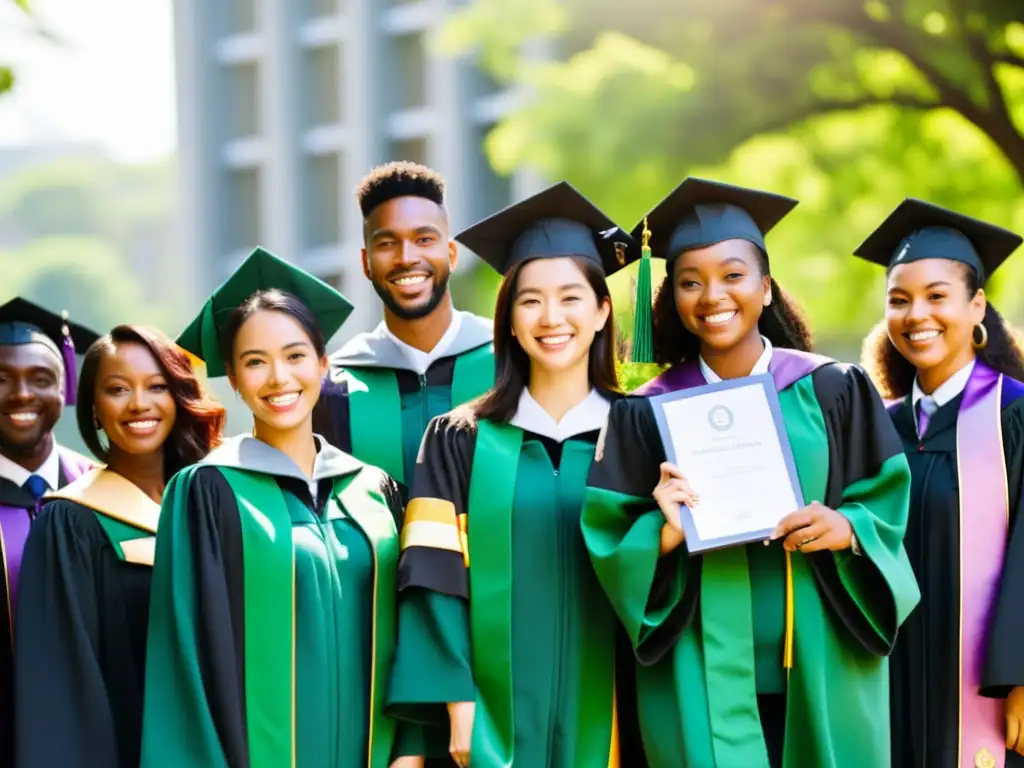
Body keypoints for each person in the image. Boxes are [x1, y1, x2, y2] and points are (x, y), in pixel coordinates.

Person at [582, 177, 920, 768]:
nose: (713, 295)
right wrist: (661, 532)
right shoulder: (642, 412)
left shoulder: (832, 388)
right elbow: (610, 537)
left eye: (734, 275)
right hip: (696, 664)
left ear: (765, 288)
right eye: (691, 282)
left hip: (823, 655)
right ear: (673, 300)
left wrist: (847, 529)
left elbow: (885, 496)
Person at [387, 182, 644, 768]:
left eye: (571, 298)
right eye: (530, 300)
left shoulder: (640, 431)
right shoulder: (460, 439)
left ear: (602, 310)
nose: (551, 318)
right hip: (489, 725)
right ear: (508, 317)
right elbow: (432, 575)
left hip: (618, 715)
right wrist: (455, 701)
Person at [139, 248, 423, 767]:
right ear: (234, 375)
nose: (278, 378)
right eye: (255, 362)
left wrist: (410, 751)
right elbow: (183, 665)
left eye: (295, 356)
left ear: (323, 363)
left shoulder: (375, 491)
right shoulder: (206, 493)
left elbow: (414, 629)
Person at [856, 199, 1024, 767]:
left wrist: (1022, 677)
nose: (916, 314)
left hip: (990, 692)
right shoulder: (880, 425)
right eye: (899, 301)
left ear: (976, 305)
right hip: (890, 681)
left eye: (936, 296)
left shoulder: (1013, 415)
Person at [14, 324, 225, 767]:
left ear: (179, 397)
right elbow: (61, 694)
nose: (138, 404)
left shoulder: (214, 507)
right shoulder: (69, 523)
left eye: (156, 387)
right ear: (93, 408)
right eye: (117, 389)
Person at [314, 162, 494, 497]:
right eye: (387, 244)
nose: (406, 257)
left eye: (424, 239)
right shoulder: (334, 389)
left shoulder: (510, 362)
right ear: (366, 263)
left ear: (451, 254)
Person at [0, 296, 98, 764]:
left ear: (66, 386)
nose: (21, 395)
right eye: (0, 379)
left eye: (41, 379)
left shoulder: (105, 493)